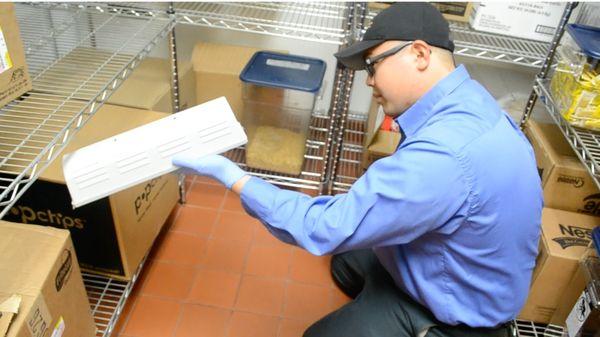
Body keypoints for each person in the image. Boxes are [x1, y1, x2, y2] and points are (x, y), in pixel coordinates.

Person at [172, 3, 542, 337]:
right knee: (347, 262)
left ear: (418, 54)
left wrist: (232, 176)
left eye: (373, 64)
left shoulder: (443, 156)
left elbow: (322, 228)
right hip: (470, 266)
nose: (368, 80)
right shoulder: (470, 101)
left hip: (457, 317)